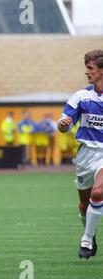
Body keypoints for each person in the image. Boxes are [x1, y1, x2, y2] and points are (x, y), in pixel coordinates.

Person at [58, 50, 103, 259]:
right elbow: (64, 125)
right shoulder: (81, 97)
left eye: (90, 68)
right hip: (86, 155)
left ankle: (86, 239)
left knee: (98, 193)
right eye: (86, 67)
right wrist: (63, 124)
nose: (87, 72)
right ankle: (90, 232)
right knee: (84, 204)